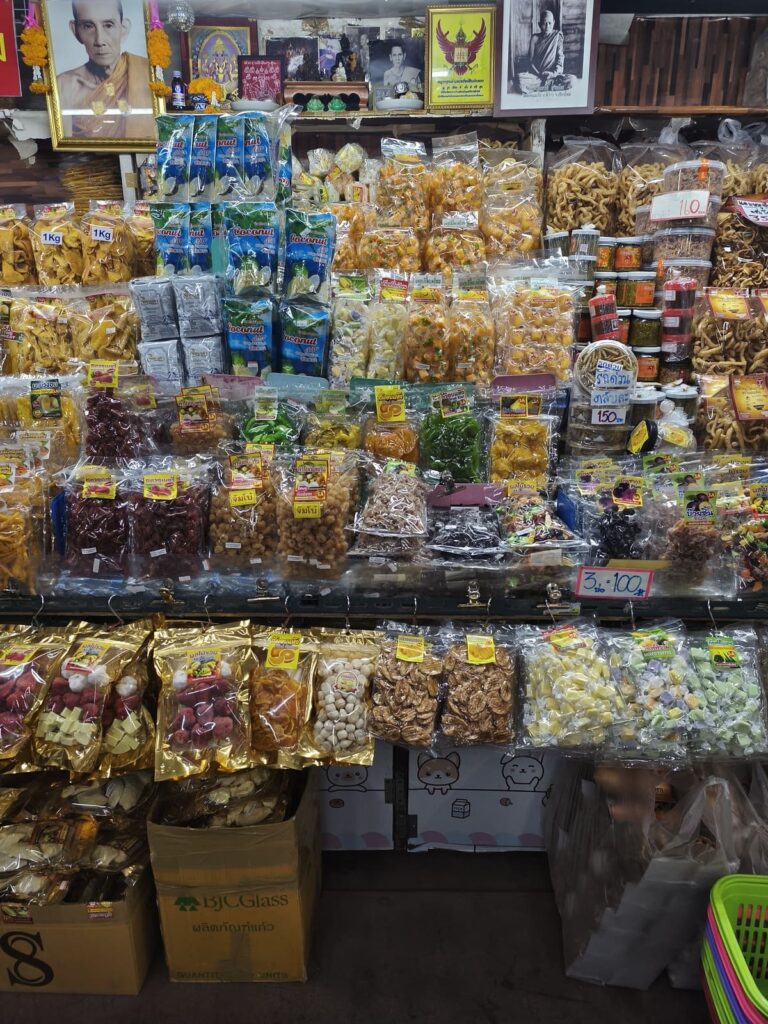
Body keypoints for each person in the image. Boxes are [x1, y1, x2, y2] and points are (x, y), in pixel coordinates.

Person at [56, 0, 154, 140]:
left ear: (124, 29)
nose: (99, 40)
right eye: (88, 26)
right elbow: (67, 148)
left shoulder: (147, 75)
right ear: (76, 30)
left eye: (108, 25)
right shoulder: (65, 85)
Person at [529, 9, 564, 82]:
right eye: (544, 23)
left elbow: (560, 58)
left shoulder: (557, 36)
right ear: (539, 24)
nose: (547, 26)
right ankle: (548, 84)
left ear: (554, 22)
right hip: (537, 75)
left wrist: (553, 74)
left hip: (553, 75)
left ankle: (546, 83)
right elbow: (530, 62)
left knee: (572, 79)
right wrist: (539, 74)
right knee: (519, 79)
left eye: (550, 23)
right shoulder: (534, 38)